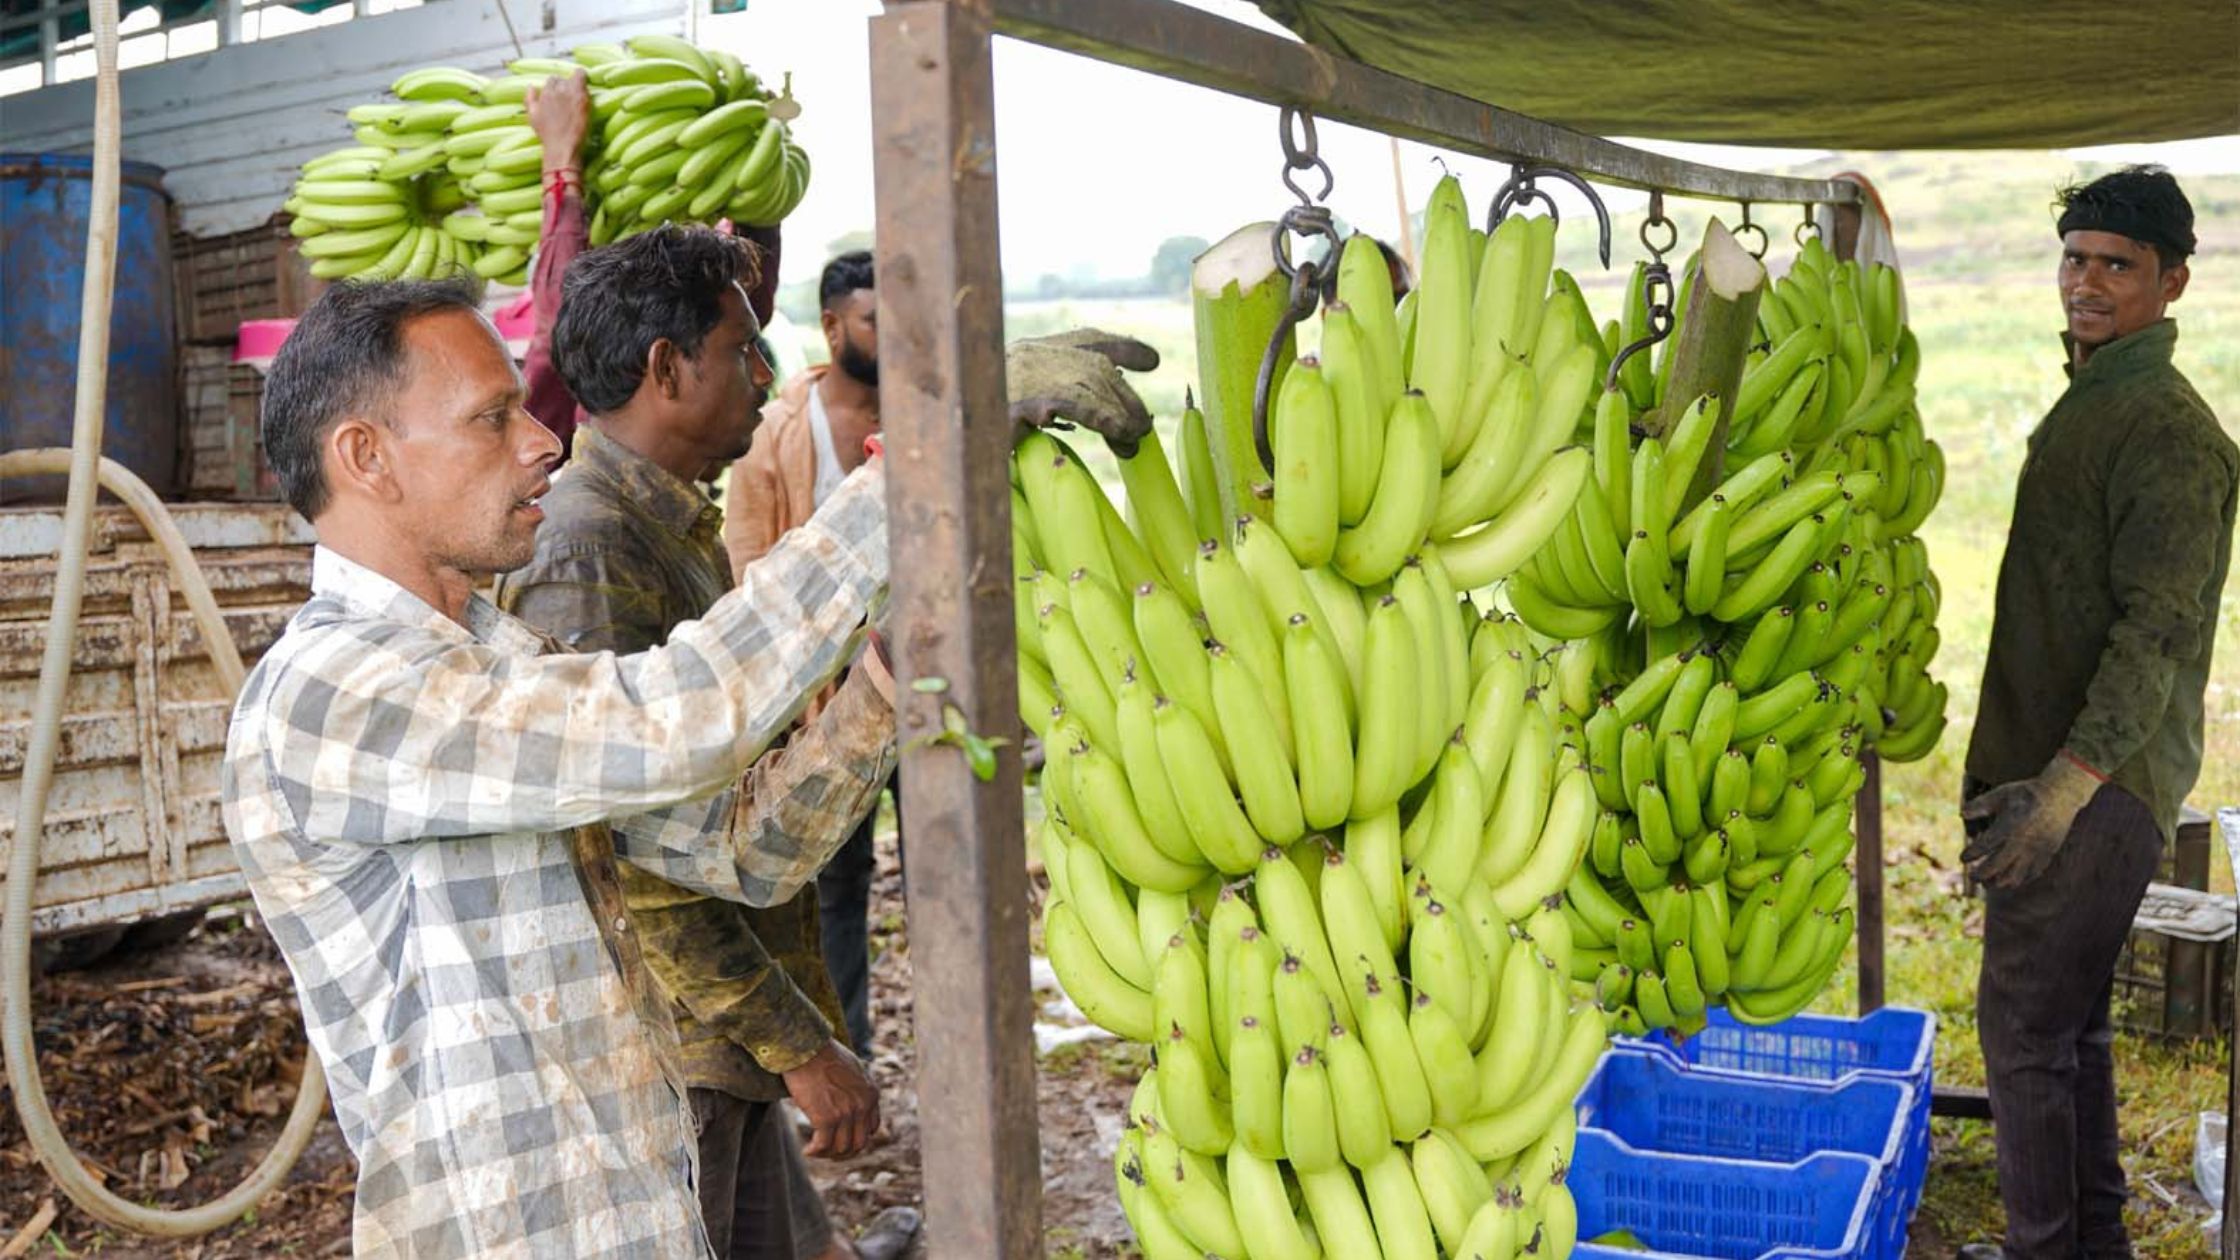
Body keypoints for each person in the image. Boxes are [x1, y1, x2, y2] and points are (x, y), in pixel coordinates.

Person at [226, 275, 894, 1259]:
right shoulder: (332, 695)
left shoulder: (501, 664)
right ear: (365, 458)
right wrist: (903, 486)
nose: (543, 442)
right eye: (492, 419)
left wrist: (884, 680)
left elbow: (741, 848)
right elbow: (680, 715)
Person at [494, 224, 919, 1260]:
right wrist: (798, 1044)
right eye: (740, 350)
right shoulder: (587, 552)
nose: (764, 376)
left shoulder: (662, 523)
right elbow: (632, 852)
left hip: (716, 1038)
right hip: (668, 1047)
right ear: (665, 367)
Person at [1957, 165, 2234, 1260]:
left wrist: (2059, 795)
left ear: (2169, 282)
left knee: (2022, 1032)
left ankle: (2048, 1248)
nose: (2085, 281)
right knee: (2064, 1026)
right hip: (2067, 769)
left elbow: (2154, 636)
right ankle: (2090, 1243)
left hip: (2093, 784)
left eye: (2115, 265)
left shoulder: (2163, 429)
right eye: (2074, 258)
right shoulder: (2098, 398)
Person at [724, 249, 887, 1059]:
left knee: (947, 869)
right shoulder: (778, 436)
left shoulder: (921, 418)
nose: (891, 337)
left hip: (922, 684)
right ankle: (843, 1042)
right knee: (836, 881)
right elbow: (749, 568)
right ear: (832, 326)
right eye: (872, 320)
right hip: (824, 700)